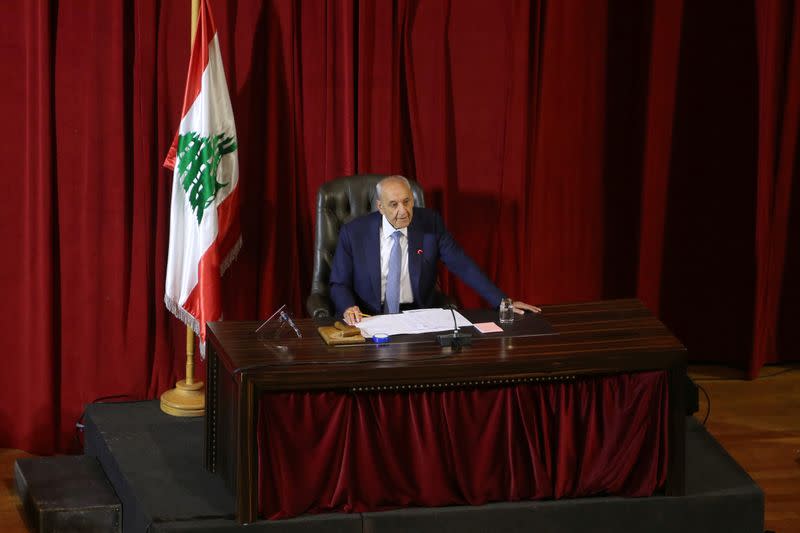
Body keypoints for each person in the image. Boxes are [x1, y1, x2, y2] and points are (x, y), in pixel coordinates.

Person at [330, 175, 541, 325]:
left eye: (407, 201)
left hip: (419, 317)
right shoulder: (354, 233)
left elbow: (464, 266)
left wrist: (502, 302)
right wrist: (349, 307)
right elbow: (339, 283)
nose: (403, 211)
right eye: (393, 205)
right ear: (380, 207)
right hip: (371, 318)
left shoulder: (429, 223)